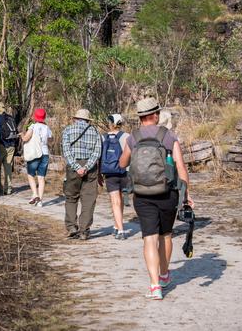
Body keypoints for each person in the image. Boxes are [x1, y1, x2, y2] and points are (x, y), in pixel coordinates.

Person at [118, 97, 194, 300]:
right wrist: (186, 194)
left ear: (141, 117)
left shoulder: (133, 137)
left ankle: (154, 287)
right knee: (166, 236)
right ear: (155, 115)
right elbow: (180, 166)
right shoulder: (168, 135)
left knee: (149, 238)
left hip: (142, 194)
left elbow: (122, 162)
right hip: (168, 193)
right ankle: (164, 274)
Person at [61, 109, 102, 240]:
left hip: (73, 168)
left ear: (75, 118)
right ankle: (84, 230)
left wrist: (77, 167)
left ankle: (72, 227)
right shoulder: (95, 131)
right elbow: (97, 152)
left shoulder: (68, 130)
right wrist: (87, 167)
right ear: (88, 120)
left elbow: (66, 152)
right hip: (90, 169)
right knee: (89, 200)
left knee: (71, 198)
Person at [100, 114, 131, 240]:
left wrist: (98, 174)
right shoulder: (127, 137)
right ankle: (117, 225)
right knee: (120, 200)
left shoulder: (103, 137)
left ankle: (121, 230)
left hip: (110, 172)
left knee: (115, 201)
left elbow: (100, 157)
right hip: (125, 172)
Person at [21, 108, 52, 207]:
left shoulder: (33, 126)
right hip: (45, 154)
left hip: (35, 153)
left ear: (35, 117)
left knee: (30, 175)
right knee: (41, 177)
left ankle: (35, 194)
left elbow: (26, 138)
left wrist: (22, 135)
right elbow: (51, 140)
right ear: (44, 117)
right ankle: (40, 201)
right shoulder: (47, 128)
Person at [0, 102, 19, 195]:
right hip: (11, 145)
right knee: (8, 167)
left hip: (0, 146)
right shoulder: (10, 118)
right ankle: (8, 189)